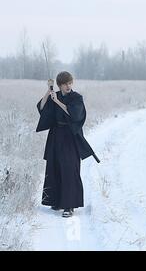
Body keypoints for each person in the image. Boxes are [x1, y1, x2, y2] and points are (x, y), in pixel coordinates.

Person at [36, 71, 100, 218]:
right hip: (56, 135)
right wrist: (49, 90)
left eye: (70, 83)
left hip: (70, 136)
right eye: (65, 84)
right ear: (60, 85)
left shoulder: (77, 98)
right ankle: (57, 201)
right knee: (54, 166)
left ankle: (69, 206)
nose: (68, 86)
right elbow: (41, 108)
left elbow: (74, 115)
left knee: (70, 168)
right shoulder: (55, 94)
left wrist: (58, 102)